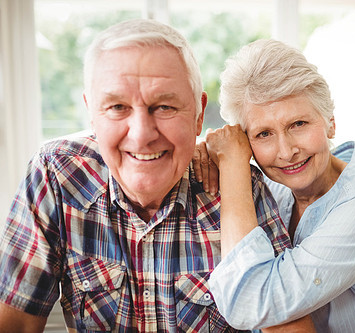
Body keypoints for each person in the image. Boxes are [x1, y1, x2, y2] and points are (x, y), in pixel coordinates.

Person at [0, 19, 299, 333]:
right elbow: (16, 323)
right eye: (117, 106)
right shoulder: (56, 174)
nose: (142, 135)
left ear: (199, 114)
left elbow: (286, 326)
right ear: (91, 113)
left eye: (165, 106)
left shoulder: (239, 186)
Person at [195, 39, 355, 332]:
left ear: (330, 122)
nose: (286, 150)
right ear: (246, 143)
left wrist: (231, 164)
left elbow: (253, 303)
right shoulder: (271, 187)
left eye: (299, 124)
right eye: (264, 134)